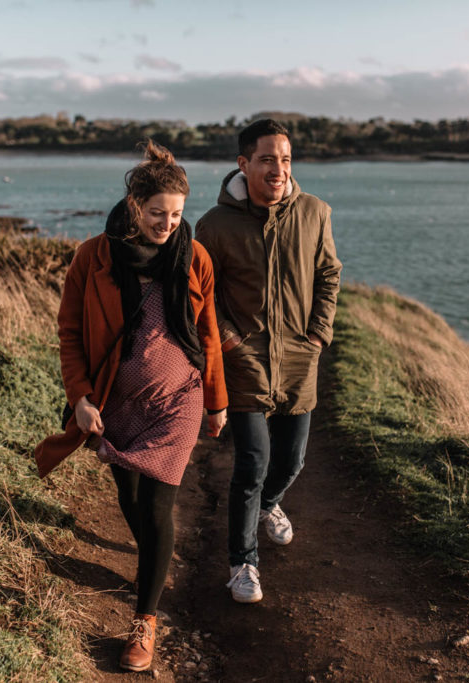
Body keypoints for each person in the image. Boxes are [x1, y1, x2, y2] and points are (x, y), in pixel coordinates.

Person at [33, 141, 227, 672]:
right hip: (116, 398)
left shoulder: (195, 256)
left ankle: (145, 621)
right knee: (132, 496)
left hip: (178, 399)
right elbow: (70, 333)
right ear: (134, 205)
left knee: (159, 506)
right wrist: (80, 398)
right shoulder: (94, 256)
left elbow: (207, 332)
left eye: (177, 214)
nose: (168, 224)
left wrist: (216, 401)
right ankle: (151, 560)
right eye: (158, 213)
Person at [195, 119, 341, 603]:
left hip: (300, 355)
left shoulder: (315, 213)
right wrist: (230, 341)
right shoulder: (214, 226)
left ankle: (271, 505)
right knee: (252, 463)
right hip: (245, 361)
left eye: (285, 159)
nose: (278, 169)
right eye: (267, 159)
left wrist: (318, 333)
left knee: (292, 460)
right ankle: (242, 564)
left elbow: (328, 274)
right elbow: (204, 294)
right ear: (244, 164)